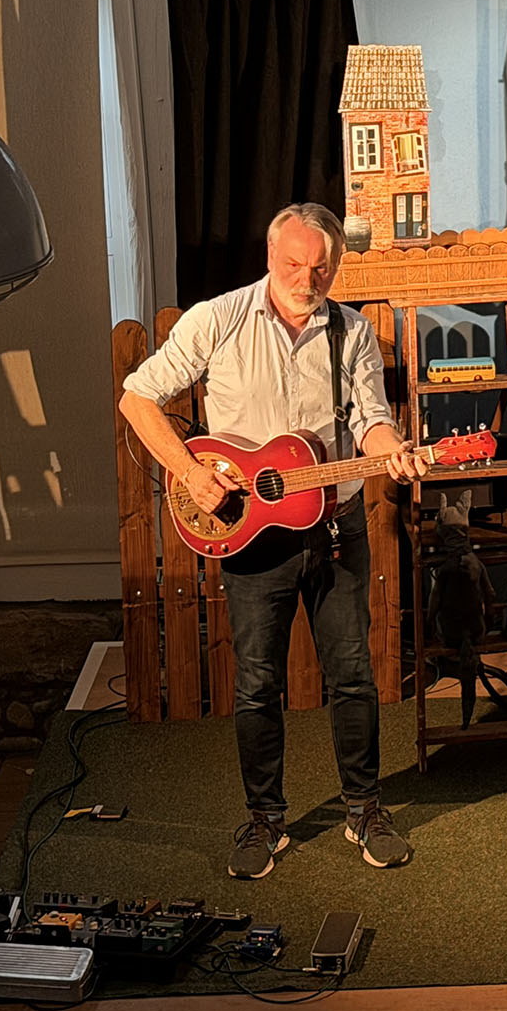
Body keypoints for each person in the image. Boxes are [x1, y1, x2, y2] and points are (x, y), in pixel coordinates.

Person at [120, 203, 432, 880]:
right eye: (293, 264)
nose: (306, 279)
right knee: (258, 682)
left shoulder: (352, 331)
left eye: (320, 268)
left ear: (336, 267)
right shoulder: (217, 319)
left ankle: (364, 811)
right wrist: (189, 472)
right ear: (269, 257)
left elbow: (372, 421)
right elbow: (137, 399)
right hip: (250, 530)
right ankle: (265, 819)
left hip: (336, 525)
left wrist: (394, 450)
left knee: (353, 676)